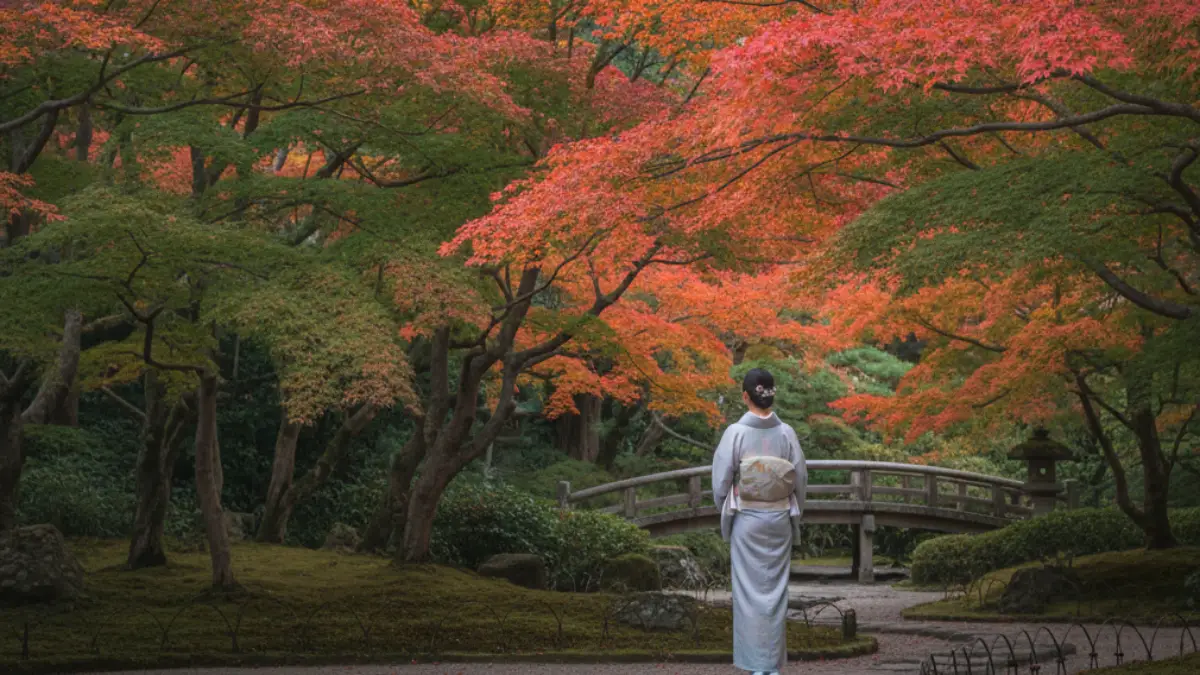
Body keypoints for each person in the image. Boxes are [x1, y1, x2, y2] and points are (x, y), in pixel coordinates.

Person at [712, 368, 808, 675]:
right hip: (778, 518)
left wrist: (729, 508)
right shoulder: (786, 433)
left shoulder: (735, 433)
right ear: (771, 394)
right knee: (776, 592)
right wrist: (794, 511)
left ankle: (756, 667)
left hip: (748, 521)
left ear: (745, 396)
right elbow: (800, 480)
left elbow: (720, 484)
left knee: (748, 594)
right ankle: (773, 666)